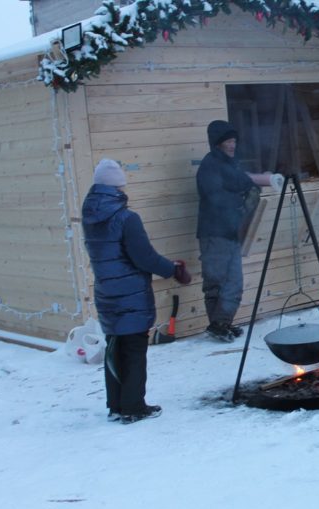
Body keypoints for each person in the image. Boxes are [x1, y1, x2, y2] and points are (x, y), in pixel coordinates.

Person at [82, 159, 192, 424]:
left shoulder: (89, 215)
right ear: (118, 186)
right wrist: (172, 269)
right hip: (131, 292)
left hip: (106, 290)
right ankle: (134, 406)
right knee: (133, 349)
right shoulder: (126, 218)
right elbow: (143, 257)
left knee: (115, 348)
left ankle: (117, 405)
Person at [196, 120, 283, 342]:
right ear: (218, 143)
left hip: (228, 231)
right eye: (228, 141)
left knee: (230, 281)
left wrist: (256, 183)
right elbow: (215, 196)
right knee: (220, 282)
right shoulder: (210, 166)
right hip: (214, 232)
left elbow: (241, 181)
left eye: (234, 140)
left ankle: (221, 322)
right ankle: (219, 323)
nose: (233, 145)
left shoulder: (229, 164)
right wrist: (241, 202)